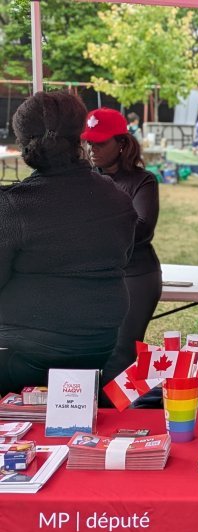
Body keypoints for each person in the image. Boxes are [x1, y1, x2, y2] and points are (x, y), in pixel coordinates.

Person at [0, 91, 136, 394]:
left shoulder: (14, 206)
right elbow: (122, 256)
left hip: (25, 355)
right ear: (80, 138)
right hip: (99, 348)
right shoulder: (116, 197)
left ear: (24, 145)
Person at [81, 108, 162, 405]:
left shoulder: (143, 181)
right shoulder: (84, 179)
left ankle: (113, 415)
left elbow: (141, 229)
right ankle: (94, 411)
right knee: (89, 348)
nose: (92, 149)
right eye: (89, 142)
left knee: (121, 351)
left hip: (135, 274)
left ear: (122, 144)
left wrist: (91, 226)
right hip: (93, 275)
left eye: (100, 143)